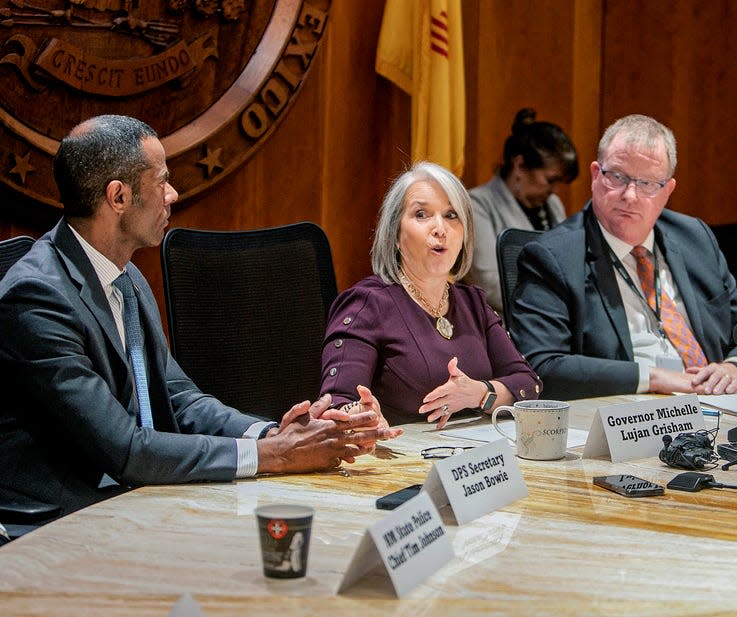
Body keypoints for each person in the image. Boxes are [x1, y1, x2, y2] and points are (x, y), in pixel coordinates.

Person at [0, 115, 401, 517]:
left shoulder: (126, 276)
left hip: (132, 495)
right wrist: (271, 455)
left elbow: (180, 399)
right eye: (161, 182)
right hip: (60, 516)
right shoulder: (36, 298)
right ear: (118, 198)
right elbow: (124, 449)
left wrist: (273, 433)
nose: (172, 194)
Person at [507, 114, 737, 401]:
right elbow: (543, 367)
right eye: (617, 177)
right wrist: (651, 377)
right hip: (628, 415)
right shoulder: (554, 257)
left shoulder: (695, 238)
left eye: (647, 184)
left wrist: (736, 368)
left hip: (716, 404)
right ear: (596, 175)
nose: (629, 195)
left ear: (667, 190)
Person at [321, 161, 542, 427]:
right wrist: (361, 415)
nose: (440, 229)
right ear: (395, 234)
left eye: (451, 215)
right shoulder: (366, 305)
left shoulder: (473, 303)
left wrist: (481, 393)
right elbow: (337, 403)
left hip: (476, 458)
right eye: (422, 215)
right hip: (400, 459)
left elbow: (528, 383)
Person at [465, 108, 579, 313]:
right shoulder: (477, 205)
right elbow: (491, 285)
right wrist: (555, 305)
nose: (555, 190)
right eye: (550, 180)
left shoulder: (553, 205)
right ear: (519, 165)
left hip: (552, 321)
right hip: (500, 329)